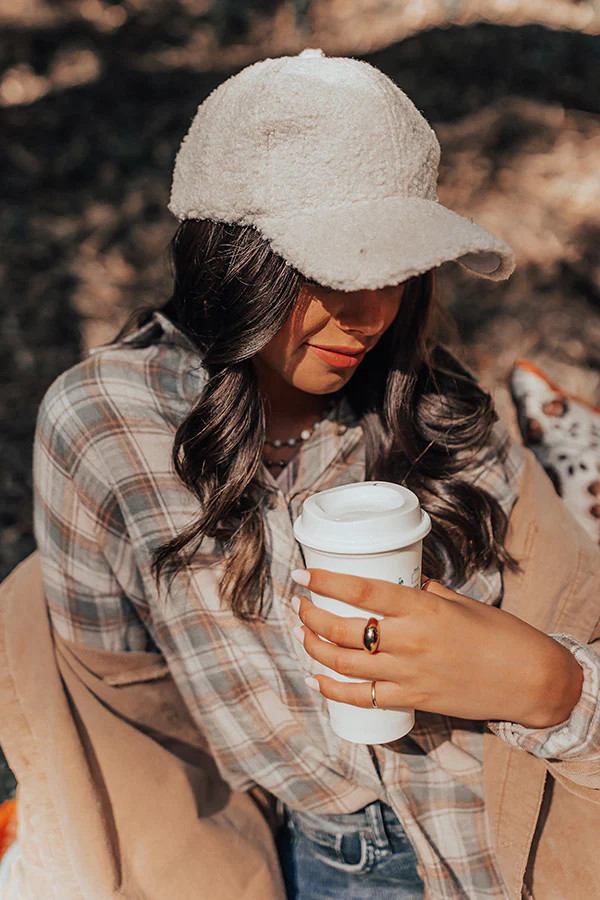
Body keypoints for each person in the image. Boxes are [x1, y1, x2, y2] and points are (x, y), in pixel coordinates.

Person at [21, 48, 600, 899]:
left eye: (395, 267)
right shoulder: (104, 428)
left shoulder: (441, 413)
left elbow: (578, 643)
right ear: (231, 257)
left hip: (521, 841)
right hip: (324, 864)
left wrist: (551, 687)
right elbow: (123, 726)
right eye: (331, 267)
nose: (371, 312)